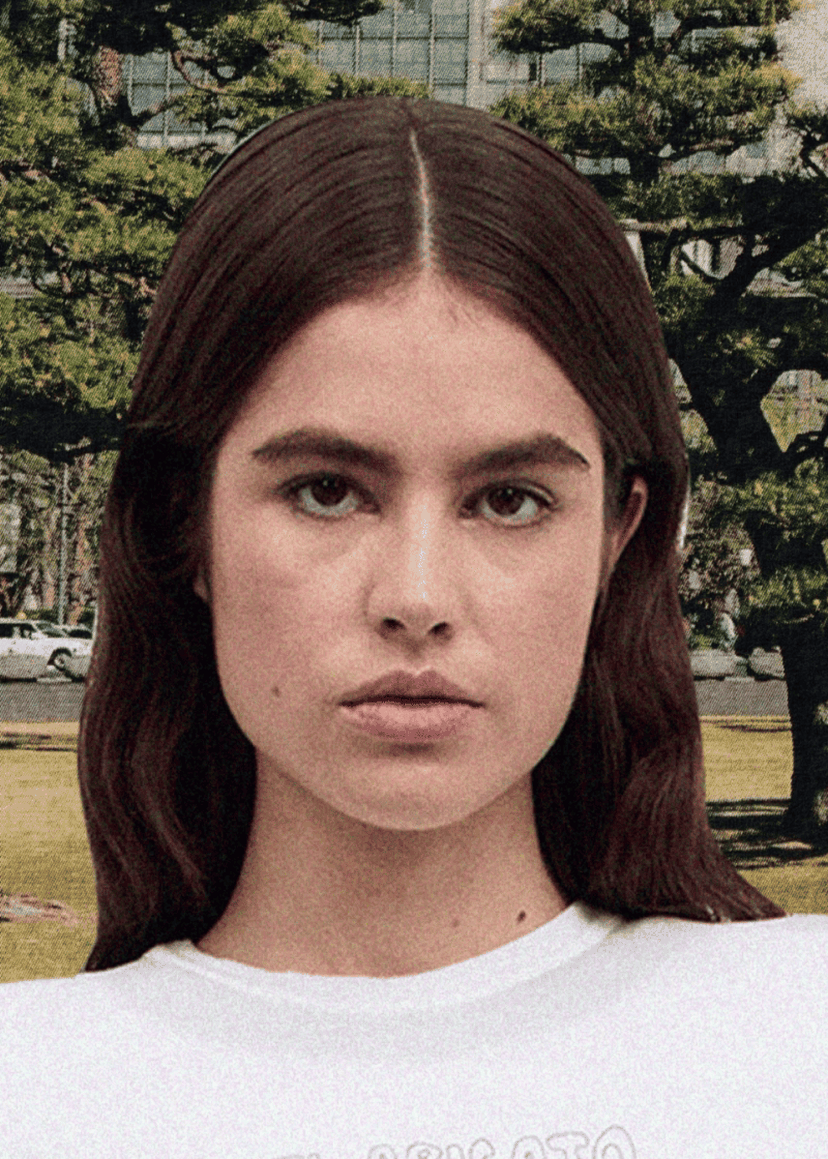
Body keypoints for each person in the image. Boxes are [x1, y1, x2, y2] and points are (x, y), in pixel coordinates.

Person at [2, 96, 826, 1158]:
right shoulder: (37, 1092)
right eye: (327, 491)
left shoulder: (793, 1034)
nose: (419, 594)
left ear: (620, 534)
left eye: (511, 498)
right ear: (183, 520)